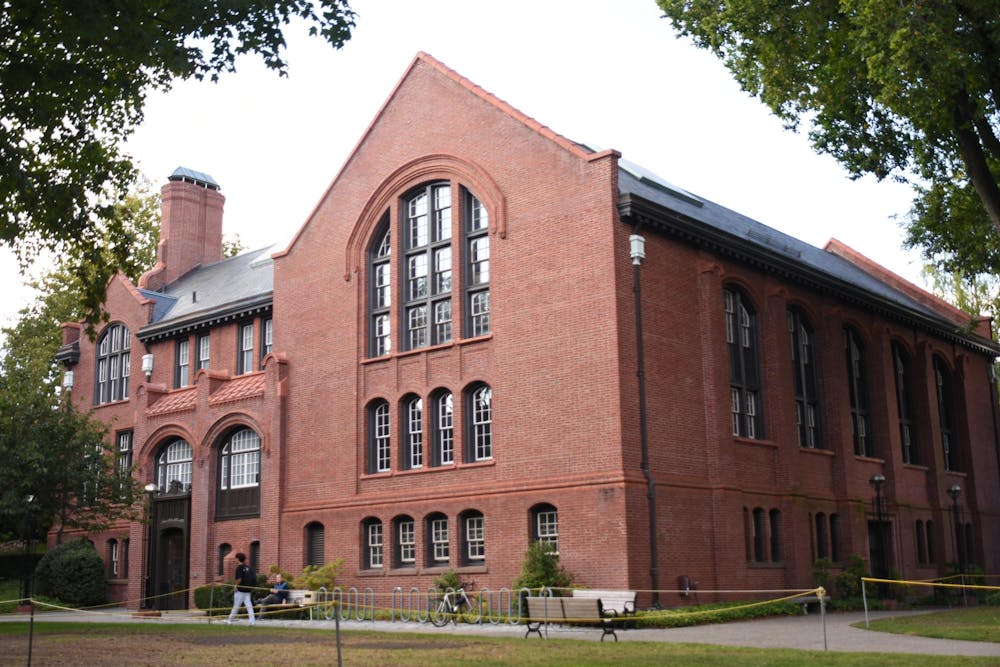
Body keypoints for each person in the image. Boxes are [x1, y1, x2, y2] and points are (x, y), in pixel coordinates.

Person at [226, 552, 255, 625]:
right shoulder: (248, 568)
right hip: (248, 590)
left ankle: (230, 620)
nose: (235, 560)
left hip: (240, 590)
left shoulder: (239, 568)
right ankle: (252, 621)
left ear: (238, 559)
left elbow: (239, 579)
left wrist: (235, 586)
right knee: (249, 606)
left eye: (235, 558)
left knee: (236, 605)